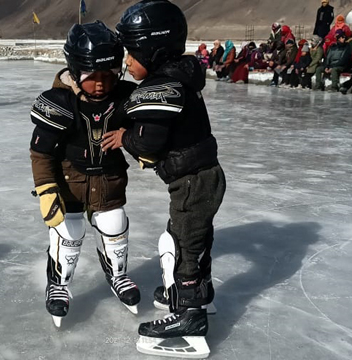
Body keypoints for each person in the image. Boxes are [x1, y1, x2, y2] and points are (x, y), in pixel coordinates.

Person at [104, 1, 226, 357]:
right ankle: (198, 294)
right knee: (193, 235)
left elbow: (149, 145)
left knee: (185, 242)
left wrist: (123, 136)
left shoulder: (163, 88)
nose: (126, 62)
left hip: (192, 179)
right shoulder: (181, 75)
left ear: (152, 51)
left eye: (131, 54)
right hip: (203, 176)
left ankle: (190, 315)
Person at [28, 21, 141, 328]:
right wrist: (47, 188)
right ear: (76, 70)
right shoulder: (59, 101)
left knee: (114, 224)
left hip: (109, 178)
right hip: (70, 180)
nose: (101, 84)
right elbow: (41, 152)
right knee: (69, 231)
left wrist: (134, 140)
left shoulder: (127, 97)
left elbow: (149, 127)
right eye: (93, 77)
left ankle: (117, 275)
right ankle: (59, 284)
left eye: (109, 75)